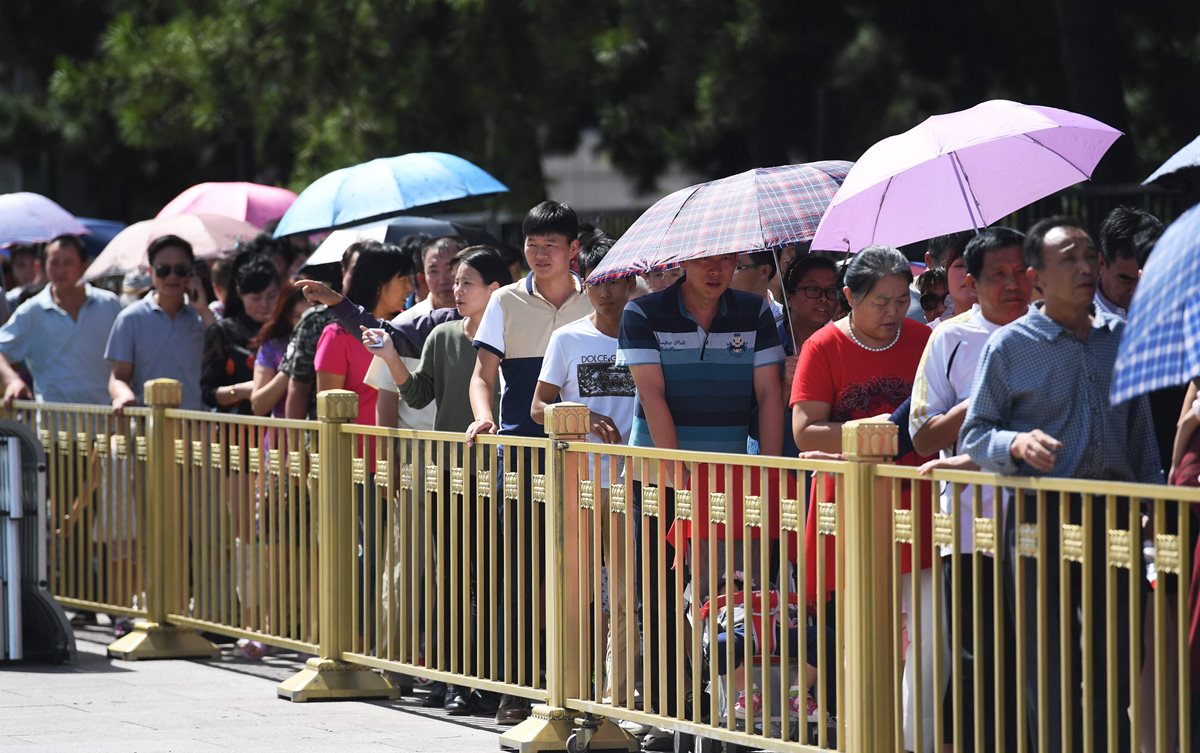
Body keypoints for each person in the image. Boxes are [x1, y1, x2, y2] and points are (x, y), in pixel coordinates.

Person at [959, 216, 1161, 753]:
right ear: (1038, 278)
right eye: (1069, 256)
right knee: (1046, 667)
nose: (1085, 266)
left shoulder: (1121, 340)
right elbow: (974, 433)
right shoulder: (1009, 346)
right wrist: (1016, 446)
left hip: (1114, 519)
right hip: (1038, 519)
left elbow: (1141, 428)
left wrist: (1152, 497)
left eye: (1089, 255)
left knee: (1116, 661)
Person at [618, 249, 784, 747]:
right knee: (664, 598)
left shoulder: (756, 312)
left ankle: (730, 713)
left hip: (733, 476)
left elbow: (770, 394)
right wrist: (680, 470)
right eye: (705, 261)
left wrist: (769, 472)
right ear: (681, 262)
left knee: (730, 597)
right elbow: (652, 393)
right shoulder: (643, 311)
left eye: (728, 261)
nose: (716, 271)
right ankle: (672, 714)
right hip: (657, 477)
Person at [790, 245, 934, 749]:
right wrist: (872, 428)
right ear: (850, 296)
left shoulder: (926, 338)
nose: (894, 313)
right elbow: (806, 431)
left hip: (917, 499)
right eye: (881, 302)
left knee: (926, 637)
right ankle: (863, 736)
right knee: (860, 633)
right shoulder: (823, 345)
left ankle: (915, 738)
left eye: (901, 300)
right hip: (849, 501)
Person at [465, 200, 593, 725]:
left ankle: (578, 684)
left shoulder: (599, 299)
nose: (539, 255)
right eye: (531, 245)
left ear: (573, 250)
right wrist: (482, 418)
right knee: (518, 570)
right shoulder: (505, 301)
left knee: (582, 573)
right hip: (519, 452)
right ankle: (515, 686)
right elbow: (482, 377)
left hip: (586, 458)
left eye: (551, 246)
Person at [909, 227, 1032, 752]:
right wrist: (975, 402)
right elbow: (920, 435)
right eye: (997, 275)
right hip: (969, 527)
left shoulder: (1060, 335)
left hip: (1044, 528)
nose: (1012, 285)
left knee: (1040, 661)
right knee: (976, 657)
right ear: (972, 283)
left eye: (1020, 272)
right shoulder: (949, 338)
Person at [531, 236, 637, 708]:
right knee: (578, 594)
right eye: (598, 282)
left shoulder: (648, 334)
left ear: (633, 280)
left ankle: (616, 697)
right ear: (585, 283)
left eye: (617, 281)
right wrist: (581, 416)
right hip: (580, 483)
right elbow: (538, 406)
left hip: (635, 485)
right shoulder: (568, 337)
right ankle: (575, 691)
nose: (608, 292)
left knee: (627, 596)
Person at [363, 247, 509, 433]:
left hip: (505, 456)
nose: (457, 290)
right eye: (456, 282)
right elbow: (418, 397)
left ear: (493, 289)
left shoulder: (517, 336)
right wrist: (391, 355)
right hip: (448, 457)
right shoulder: (442, 336)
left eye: (466, 283)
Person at [0, 234, 120, 405]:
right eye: (54, 263)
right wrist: (11, 380)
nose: (60, 270)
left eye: (68, 263)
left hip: (105, 421)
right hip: (53, 424)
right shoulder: (32, 311)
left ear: (83, 266)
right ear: (42, 266)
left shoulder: (109, 305)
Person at [314, 241, 414, 435]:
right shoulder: (338, 336)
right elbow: (328, 414)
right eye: (403, 279)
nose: (410, 287)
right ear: (378, 282)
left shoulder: (409, 327)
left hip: (407, 456)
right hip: (355, 458)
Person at [106, 235, 213, 411]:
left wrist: (203, 309)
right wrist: (123, 395)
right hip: (150, 427)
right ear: (150, 272)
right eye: (163, 270)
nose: (172, 276)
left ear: (190, 272)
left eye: (180, 269)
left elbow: (224, 351)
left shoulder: (202, 316)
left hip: (197, 428)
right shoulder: (130, 318)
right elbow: (119, 377)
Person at [280, 243, 359, 419]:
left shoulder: (395, 320)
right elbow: (298, 387)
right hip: (323, 438)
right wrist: (296, 443)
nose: (362, 276)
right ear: (343, 270)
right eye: (356, 270)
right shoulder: (317, 320)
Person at [200, 253, 281, 414]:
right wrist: (242, 391)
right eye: (256, 298)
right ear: (240, 293)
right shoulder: (223, 332)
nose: (265, 304)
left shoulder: (286, 330)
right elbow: (208, 393)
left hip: (280, 429)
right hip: (237, 429)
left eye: (271, 296)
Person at [249, 285, 311, 418]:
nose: (305, 323)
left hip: (321, 435)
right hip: (281, 436)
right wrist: (288, 368)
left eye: (309, 316)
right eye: (297, 316)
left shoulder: (333, 345)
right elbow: (258, 406)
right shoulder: (272, 347)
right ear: (287, 317)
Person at [1095, 205, 1161, 320]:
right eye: (1125, 279)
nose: (1136, 290)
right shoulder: (1076, 318)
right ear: (1101, 263)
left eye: (1145, 279)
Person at [5, 243, 45, 313]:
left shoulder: (47, 295)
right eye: (21, 265)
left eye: (32, 264)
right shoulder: (8, 299)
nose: (28, 271)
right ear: (12, 266)